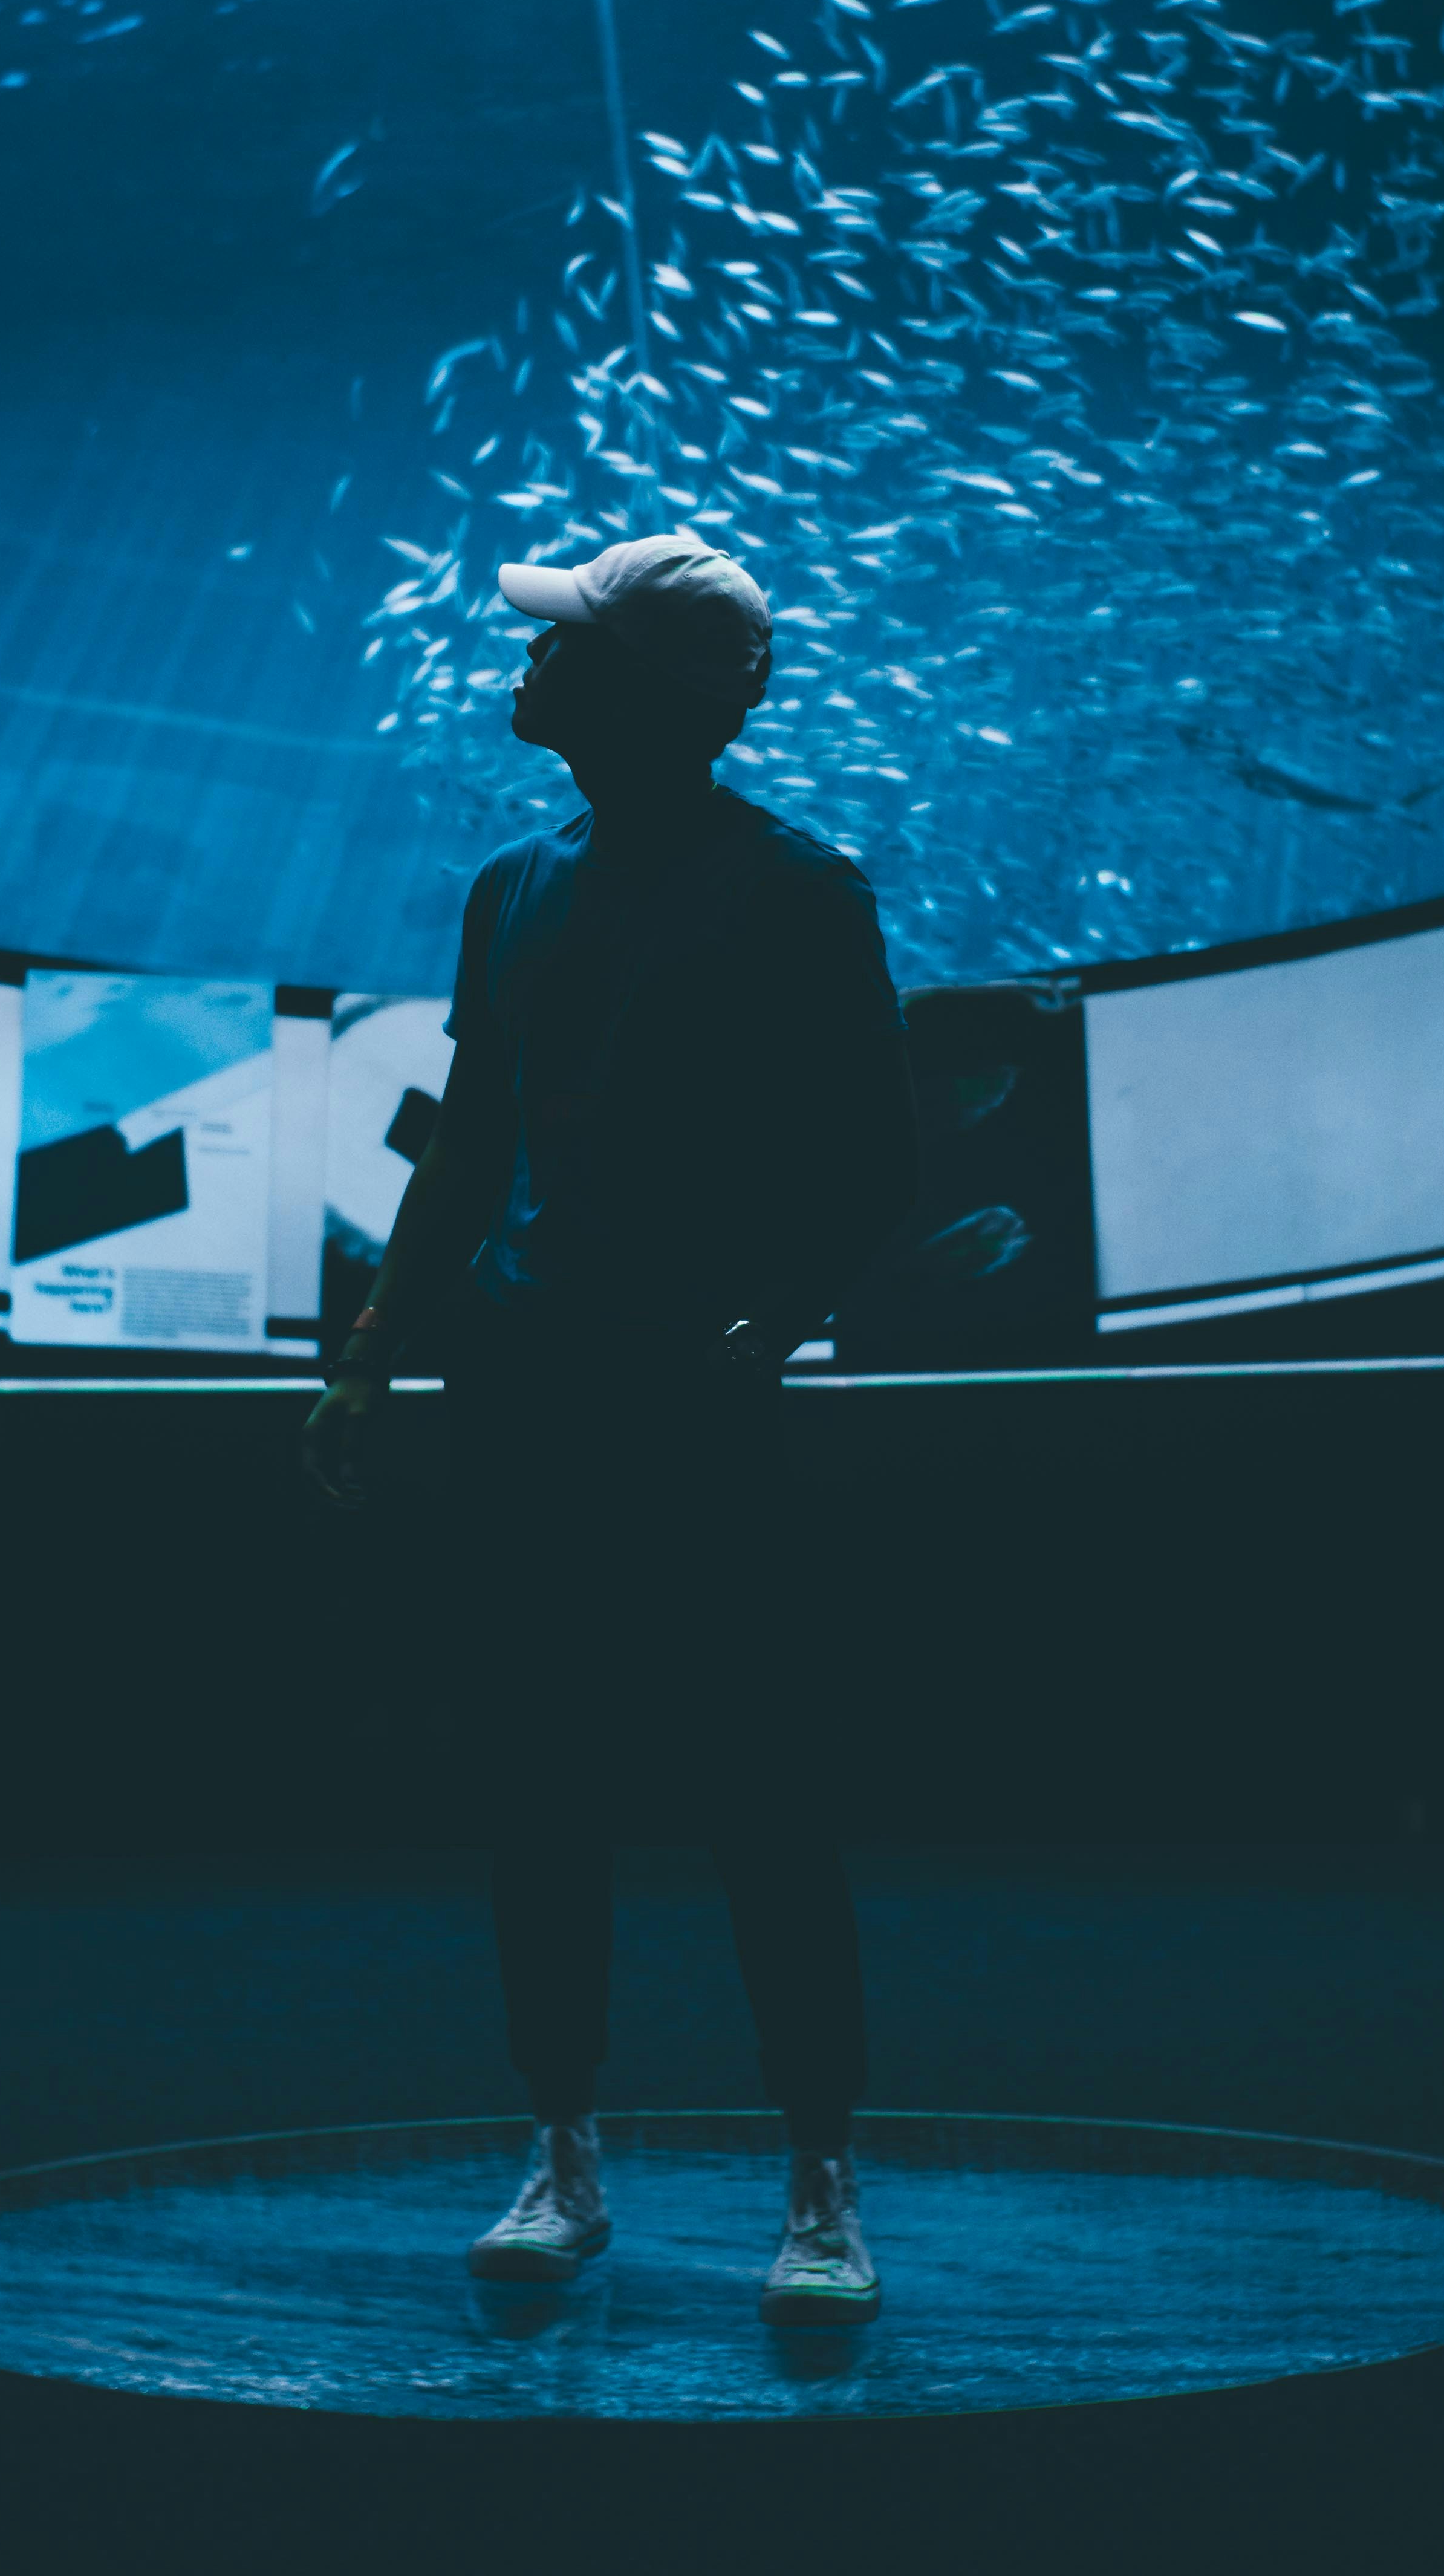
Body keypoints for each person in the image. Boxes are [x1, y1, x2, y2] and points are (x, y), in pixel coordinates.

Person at [301, 530, 919, 2327]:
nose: (530, 659)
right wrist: (373, 1353)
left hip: (692, 1419)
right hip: (524, 1401)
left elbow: (875, 1159)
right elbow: (470, 1140)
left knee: (759, 1794)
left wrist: (768, 1318)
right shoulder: (512, 885)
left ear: (647, 695)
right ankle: (564, 2147)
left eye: (565, 642)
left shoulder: (805, 891)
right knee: (542, 1784)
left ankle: (820, 2178)